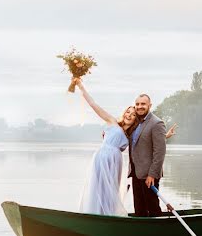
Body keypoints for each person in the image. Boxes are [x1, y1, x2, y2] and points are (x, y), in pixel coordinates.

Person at [73, 78, 138, 216]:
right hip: (102, 156)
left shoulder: (131, 135)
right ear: (124, 113)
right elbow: (93, 104)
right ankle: (94, 213)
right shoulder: (112, 122)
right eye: (128, 112)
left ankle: (107, 214)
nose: (129, 115)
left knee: (110, 189)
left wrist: (165, 136)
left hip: (115, 161)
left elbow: (146, 140)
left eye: (133, 115)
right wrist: (80, 86)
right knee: (98, 186)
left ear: (135, 119)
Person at [128, 94, 170, 216]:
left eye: (143, 104)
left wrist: (152, 174)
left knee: (153, 209)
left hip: (149, 176)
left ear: (149, 105)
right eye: (137, 104)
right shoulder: (135, 123)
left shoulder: (157, 123)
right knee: (139, 210)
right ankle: (142, 233)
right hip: (136, 173)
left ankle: (159, 232)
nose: (140, 107)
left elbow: (160, 152)